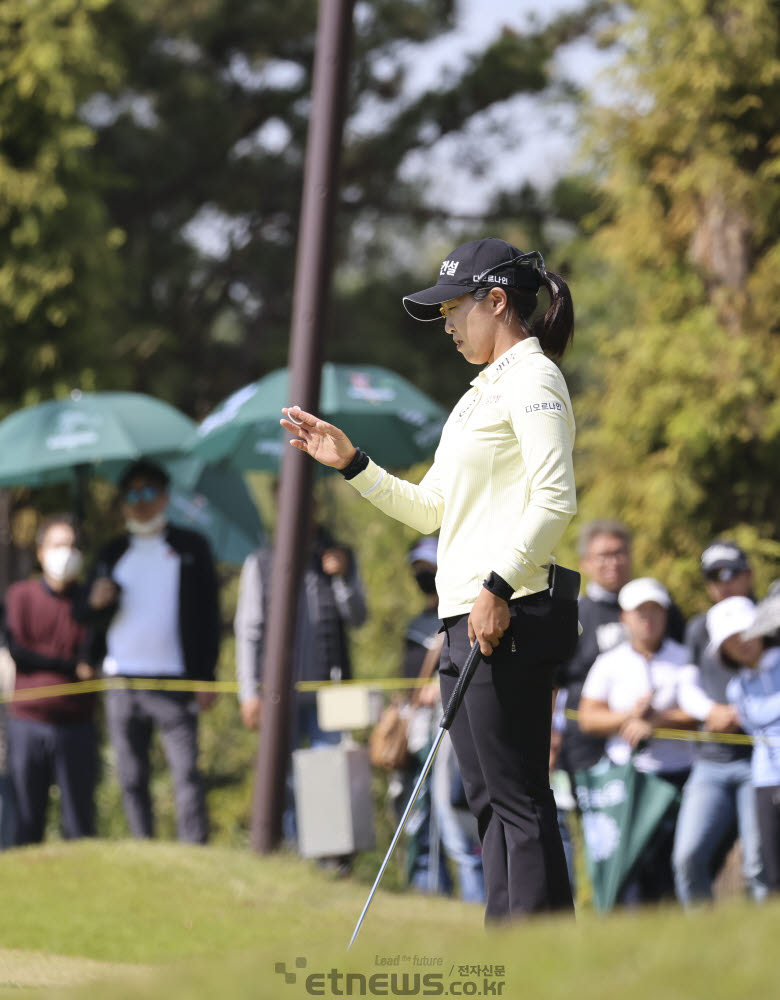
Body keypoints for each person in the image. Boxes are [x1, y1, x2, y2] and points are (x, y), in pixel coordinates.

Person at [281, 236, 579, 922]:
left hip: (509, 611)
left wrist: (498, 588)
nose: (446, 322)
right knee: (489, 801)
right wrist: (352, 463)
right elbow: (430, 509)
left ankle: (541, 964)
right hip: (467, 615)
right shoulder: (479, 395)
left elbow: (554, 498)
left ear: (496, 301)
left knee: (517, 797)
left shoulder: (533, 380)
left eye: (453, 307)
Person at [75, 460, 220, 843]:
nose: (140, 502)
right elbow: (83, 615)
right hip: (122, 680)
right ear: (123, 503)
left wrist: (207, 676)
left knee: (186, 772)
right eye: (132, 495)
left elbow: (209, 617)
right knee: (131, 774)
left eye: (148, 493)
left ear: (165, 497)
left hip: (175, 680)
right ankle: (143, 847)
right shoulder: (111, 552)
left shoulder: (191, 547)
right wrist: (96, 601)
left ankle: (195, 851)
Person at [235, 519, 367, 845]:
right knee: (284, 778)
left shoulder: (338, 556)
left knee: (331, 777)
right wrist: (248, 693)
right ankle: (290, 850)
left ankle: (329, 857)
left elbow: (358, 617)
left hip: (332, 694)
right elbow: (248, 631)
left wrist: (341, 577)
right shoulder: (260, 562)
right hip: (277, 697)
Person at [578, 577, 704, 903]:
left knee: (671, 873)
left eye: (655, 611)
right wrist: (628, 719)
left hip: (680, 778)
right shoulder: (609, 663)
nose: (648, 619)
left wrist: (657, 720)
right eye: (640, 612)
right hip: (629, 782)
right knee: (629, 872)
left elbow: (699, 713)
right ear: (624, 617)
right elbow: (588, 717)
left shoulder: (685, 657)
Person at [672, 540, 766, 906]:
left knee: (759, 862)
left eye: (730, 573)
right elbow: (687, 686)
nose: (722, 583)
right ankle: (701, 940)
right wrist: (710, 712)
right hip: (710, 762)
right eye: (713, 577)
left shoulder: (768, 620)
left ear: (748, 574)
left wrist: (748, 712)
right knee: (687, 857)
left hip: (760, 763)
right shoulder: (699, 627)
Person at [3, 515, 98, 844]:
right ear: (40, 552)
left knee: (79, 824)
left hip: (77, 724)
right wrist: (71, 667)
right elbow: (19, 651)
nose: (66, 553)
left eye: (72, 546)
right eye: (58, 546)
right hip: (28, 722)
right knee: (26, 821)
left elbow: (93, 656)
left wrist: (98, 609)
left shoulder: (89, 601)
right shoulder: (20, 596)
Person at [706, 595, 780, 894]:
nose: (742, 642)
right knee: (773, 864)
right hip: (766, 777)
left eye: (747, 632)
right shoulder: (737, 689)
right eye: (731, 639)